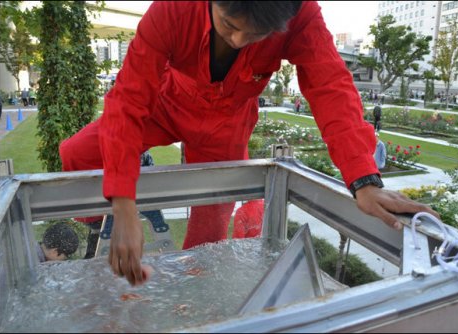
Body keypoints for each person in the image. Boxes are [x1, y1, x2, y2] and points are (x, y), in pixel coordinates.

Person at [59, 1, 438, 286]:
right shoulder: (171, 9)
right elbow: (128, 101)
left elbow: (330, 87)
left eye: (256, 35)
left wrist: (363, 179)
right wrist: (123, 206)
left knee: (210, 225)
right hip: (166, 102)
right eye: (229, 24)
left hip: (227, 124)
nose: (239, 41)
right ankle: (97, 227)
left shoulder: (303, 14)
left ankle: (195, 294)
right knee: (76, 153)